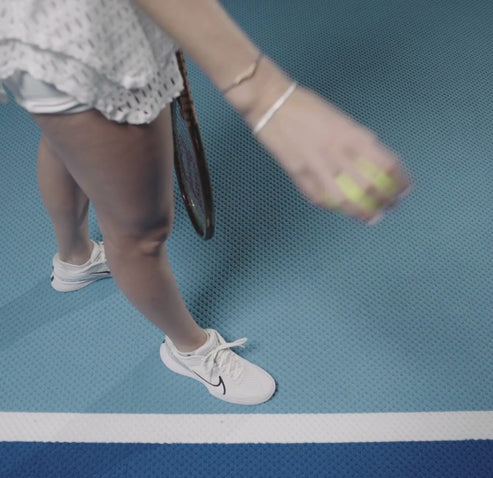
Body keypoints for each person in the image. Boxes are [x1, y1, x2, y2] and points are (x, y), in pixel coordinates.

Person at [0, 0, 413, 406]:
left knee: (65, 134)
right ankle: (189, 350)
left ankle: (75, 259)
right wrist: (266, 95)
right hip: (84, 39)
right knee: (141, 234)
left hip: (41, 37)